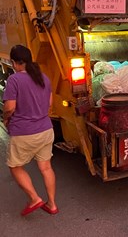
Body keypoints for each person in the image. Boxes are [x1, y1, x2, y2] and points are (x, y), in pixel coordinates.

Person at [3, 45, 59, 215]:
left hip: (24, 132)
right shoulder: (44, 78)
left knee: (15, 166)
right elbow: (49, 104)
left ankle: (35, 198)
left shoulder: (14, 80)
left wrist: (6, 118)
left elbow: (10, 108)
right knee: (46, 167)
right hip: (46, 130)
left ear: (14, 62)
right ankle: (52, 204)